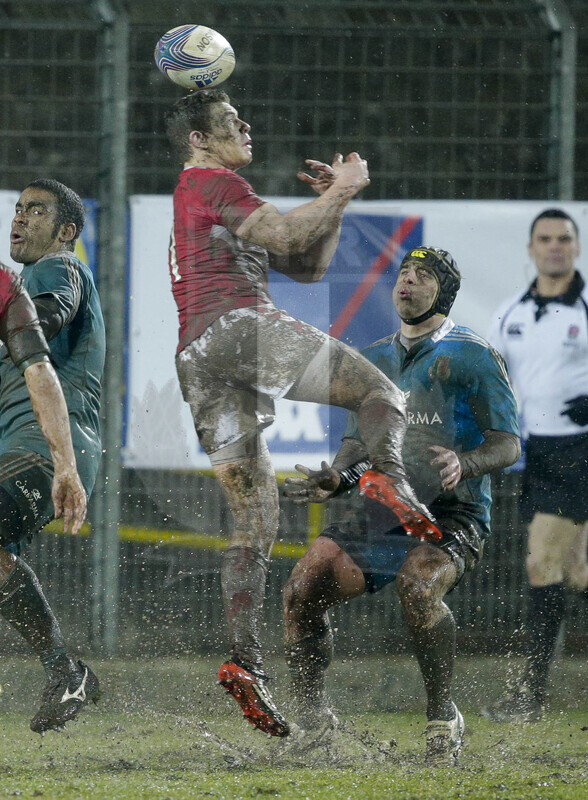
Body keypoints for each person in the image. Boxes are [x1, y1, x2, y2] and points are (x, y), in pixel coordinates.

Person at [164, 89, 440, 738]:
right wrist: (342, 186)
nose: (247, 124)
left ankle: (244, 662)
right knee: (383, 396)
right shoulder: (214, 180)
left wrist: (336, 201)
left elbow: (309, 265)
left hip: (199, 359)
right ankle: (389, 480)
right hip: (237, 328)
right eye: (232, 121)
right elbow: (288, 231)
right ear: (200, 140)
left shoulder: (209, 198)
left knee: (256, 524)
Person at [282, 247, 521, 765]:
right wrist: (335, 479)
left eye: (422, 276)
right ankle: (314, 721)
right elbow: (356, 450)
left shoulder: (473, 355)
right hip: (384, 511)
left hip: (451, 514)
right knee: (303, 586)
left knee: (418, 584)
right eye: (402, 274)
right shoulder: (371, 360)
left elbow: (509, 443)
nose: (406, 282)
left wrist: (466, 462)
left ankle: (443, 718)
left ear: (444, 292)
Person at [0, 178, 106, 733]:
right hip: (21, 450)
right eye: (17, 209)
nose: (19, 218)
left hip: (47, 450)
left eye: (35, 211)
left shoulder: (57, 267)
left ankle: (65, 667)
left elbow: (51, 312)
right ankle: (66, 670)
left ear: (65, 231)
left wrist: (19, 314)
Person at [483, 208, 588, 723]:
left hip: (584, 448)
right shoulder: (509, 315)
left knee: (548, 566)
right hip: (542, 455)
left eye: (564, 239)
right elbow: (491, 386)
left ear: (576, 247)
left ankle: (530, 693)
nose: (554, 247)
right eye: (545, 239)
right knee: (568, 572)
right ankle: (532, 692)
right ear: (530, 249)